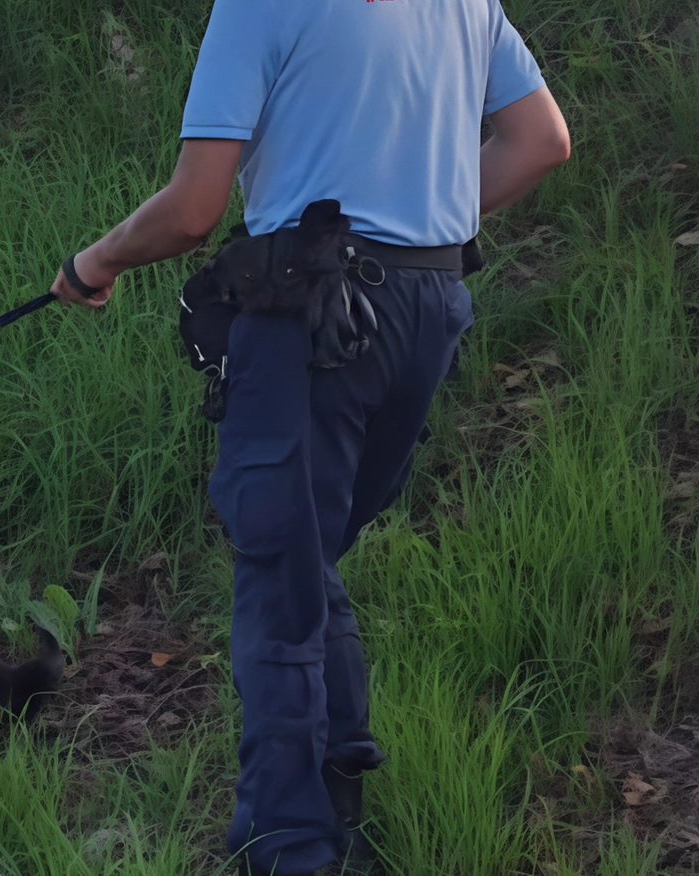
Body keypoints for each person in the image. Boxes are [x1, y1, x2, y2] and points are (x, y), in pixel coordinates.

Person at [49, 1, 570, 873]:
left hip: (312, 320)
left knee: (280, 577)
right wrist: (418, 219)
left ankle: (287, 847)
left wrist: (92, 264)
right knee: (309, 552)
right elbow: (540, 139)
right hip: (427, 308)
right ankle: (336, 803)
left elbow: (192, 210)